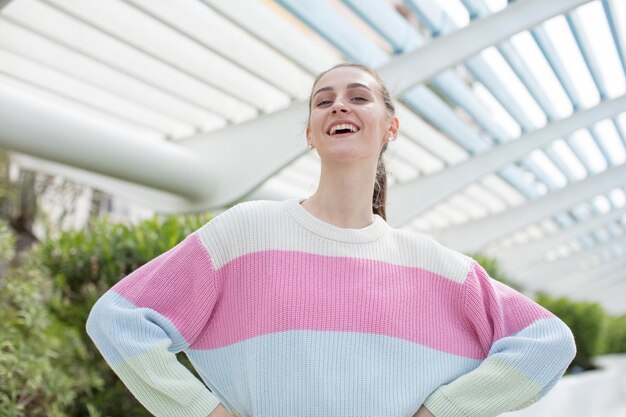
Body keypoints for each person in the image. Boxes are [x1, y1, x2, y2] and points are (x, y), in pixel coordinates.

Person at [86, 63, 576, 417]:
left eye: (358, 96)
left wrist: (443, 411)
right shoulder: (245, 234)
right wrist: (201, 411)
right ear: (310, 134)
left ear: (391, 127)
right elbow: (119, 319)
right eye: (324, 100)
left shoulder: (434, 265)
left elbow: (547, 341)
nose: (339, 103)